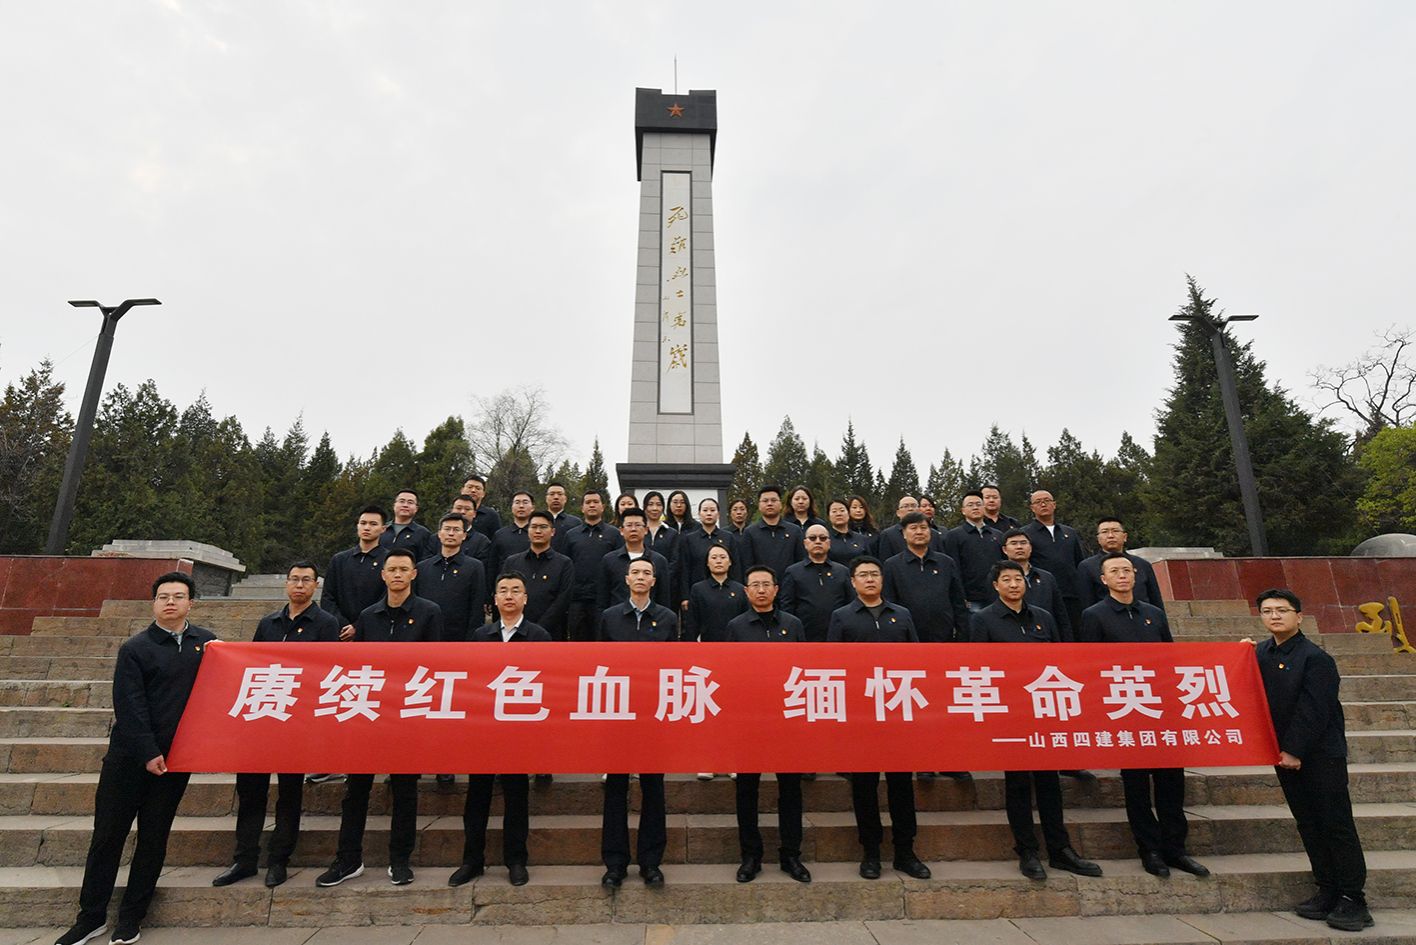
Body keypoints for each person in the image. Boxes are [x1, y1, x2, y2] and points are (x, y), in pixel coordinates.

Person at [57, 572, 217, 945]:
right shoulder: (136, 647)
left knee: (153, 839)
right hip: (129, 759)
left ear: (191, 602)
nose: (171, 602)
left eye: (179, 596)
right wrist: (148, 752)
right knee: (107, 837)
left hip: (176, 762)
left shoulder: (207, 645)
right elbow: (129, 705)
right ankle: (91, 917)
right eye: (163, 596)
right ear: (154, 603)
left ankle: (131, 917)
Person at [317, 548, 443, 888]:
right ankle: (348, 859)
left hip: (408, 715)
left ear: (414, 574)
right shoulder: (368, 616)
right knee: (355, 790)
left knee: (405, 791)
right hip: (369, 713)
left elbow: (434, 664)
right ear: (383, 575)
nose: (398, 574)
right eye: (392, 569)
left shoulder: (430, 613)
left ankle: (400, 860)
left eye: (404, 569)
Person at [212, 562, 341, 892]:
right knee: (251, 791)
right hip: (261, 717)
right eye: (295, 579)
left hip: (297, 721)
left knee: (289, 793)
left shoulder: (326, 624)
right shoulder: (269, 622)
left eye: (306, 580)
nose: (300, 585)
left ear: (316, 587)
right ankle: (244, 858)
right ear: (286, 584)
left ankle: (279, 859)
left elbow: (328, 673)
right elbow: (252, 664)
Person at [969, 561, 1102, 881]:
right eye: (1006, 580)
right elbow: (977, 668)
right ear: (995, 586)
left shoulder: (1043, 618)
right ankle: (1027, 850)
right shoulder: (983, 620)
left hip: (1044, 711)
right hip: (1011, 715)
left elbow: (1058, 662)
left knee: (1049, 784)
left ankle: (1060, 849)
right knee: (1017, 785)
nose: (1014, 585)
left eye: (1018, 579)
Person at [1079, 553, 1208, 879]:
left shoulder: (1153, 614)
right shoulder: (1094, 616)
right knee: (1137, 787)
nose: (1122, 576)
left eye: (1127, 570)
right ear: (1103, 580)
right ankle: (1149, 849)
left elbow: (1170, 657)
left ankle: (1176, 849)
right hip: (1126, 713)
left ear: (1135, 576)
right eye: (1114, 572)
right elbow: (1090, 667)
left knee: (1171, 784)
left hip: (1162, 713)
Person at [1252, 588, 1371, 930]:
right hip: (1284, 755)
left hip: (1320, 756)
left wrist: (1295, 750)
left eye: (1282, 610)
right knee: (1308, 823)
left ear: (1299, 617)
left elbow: (1315, 710)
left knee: (1335, 825)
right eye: (1267, 611)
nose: (1274, 616)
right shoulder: (1261, 652)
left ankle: (1353, 897)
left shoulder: (1315, 658)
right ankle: (1327, 889)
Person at [827, 557, 931, 881]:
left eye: (874, 574)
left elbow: (916, 661)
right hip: (861, 718)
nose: (870, 579)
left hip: (897, 715)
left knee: (901, 786)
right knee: (864, 787)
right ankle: (870, 851)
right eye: (863, 575)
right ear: (853, 582)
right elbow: (834, 668)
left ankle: (905, 851)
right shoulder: (842, 617)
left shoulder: (901, 615)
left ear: (882, 580)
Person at [448, 572, 552, 889]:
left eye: (516, 590)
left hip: (520, 731)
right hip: (484, 730)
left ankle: (516, 860)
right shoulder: (481, 635)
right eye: (503, 590)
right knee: (476, 797)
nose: (509, 595)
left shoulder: (538, 636)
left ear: (525, 598)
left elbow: (548, 681)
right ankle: (472, 860)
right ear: (494, 599)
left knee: (517, 796)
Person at [725, 566, 812, 885]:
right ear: (746, 591)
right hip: (749, 722)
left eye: (766, 584)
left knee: (790, 789)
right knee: (746, 789)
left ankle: (791, 854)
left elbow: (804, 670)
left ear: (776, 589)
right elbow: (728, 674)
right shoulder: (735, 626)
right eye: (754, 585)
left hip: (787, 719)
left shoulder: (793, 624)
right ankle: (751, 855)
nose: (761, 590)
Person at [597, 558, 678, 887]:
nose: (641, 577)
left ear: (654, 581)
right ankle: (615, 863)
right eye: (636, 573)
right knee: (615, 789)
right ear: (627, 579)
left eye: (647, 573)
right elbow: (599, 665)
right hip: (618, 714)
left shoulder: (668, 618)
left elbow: (674, 666)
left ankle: (651, 862)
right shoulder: (609, 617)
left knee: (653, 789)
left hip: (653, 715)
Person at [882, 512, 969, 645]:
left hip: (943, 635)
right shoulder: (892, 565)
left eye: (923, 528)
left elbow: (957, 601)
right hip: (907, 635)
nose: (919, 532)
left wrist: (962, 635)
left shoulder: (946, 562)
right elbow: (889, 601)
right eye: (913, 528)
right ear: (904, 534)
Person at [501, 509, 574, 640]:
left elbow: (563, 600)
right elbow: (505, 594)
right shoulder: (512, 562)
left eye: (543, 527)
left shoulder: (564, 563)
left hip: (552, 633)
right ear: (528, 531)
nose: (538, 531)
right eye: (533, 527)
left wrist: (537, 630)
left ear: (552, 532)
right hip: (515, 631)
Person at [321, 505, 391, 640]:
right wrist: (343, 624)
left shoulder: (389, 560)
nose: (367, 528)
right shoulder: (339, 560)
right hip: (340, 634)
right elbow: (328, 597)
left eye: (373, 524)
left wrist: (358, 626)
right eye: (363, 523)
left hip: (374, 633)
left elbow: (387, 598)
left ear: (383, 529)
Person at [1021, 490, 1087, 635]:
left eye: (1047, 500)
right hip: (1042, 594)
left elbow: (1079, 562)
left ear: (1054, 504)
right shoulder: (1025, 534)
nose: (1043, 504)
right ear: (1032, 508)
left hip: (1071, 595)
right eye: (1038, 502)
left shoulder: (1069, 533)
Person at [563, 490, 625, 642]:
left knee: (602, 641)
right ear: (582, 508)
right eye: (588, 502)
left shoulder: (614, 534)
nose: (592, 505)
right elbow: (565, 566)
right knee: (578, 643)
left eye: (596, 502)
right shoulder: (571, 535)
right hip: (577, 600)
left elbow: (619, 566)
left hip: (603, 600)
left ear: (603, 507)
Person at [416, 513, 487, 643]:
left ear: (464, 535)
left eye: (456, 530)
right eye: (447, 529)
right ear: (439, 533)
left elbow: (476, 609)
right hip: (425, 637)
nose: (451, 533)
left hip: (459, 638)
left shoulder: (474, 567)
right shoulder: (422, 567)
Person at [779, 524, 853, 642]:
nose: (818, 541)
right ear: (805, 543)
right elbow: (787, 606)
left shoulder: (842, 571)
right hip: (804, 635)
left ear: (829, 543)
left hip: (838, 635)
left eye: (823, 538)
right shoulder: (793, 572)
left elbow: (850, 603)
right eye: (812, 538)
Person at [1000, 529, 1073, 642]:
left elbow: (1060, 614)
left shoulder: (1047, 577)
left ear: (1031, 548)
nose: (1019, 547)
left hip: (1044, 636)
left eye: (1023, 543)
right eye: (1014, 543)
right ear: (1005, 549)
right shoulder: (997, 578)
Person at [1077, 517, 1164, 609]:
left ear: (1125, 537)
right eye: (1105, 532)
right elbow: (1086, 602)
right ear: (1098, 539)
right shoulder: (1087, 566)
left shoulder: (1142, 564)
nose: (1110, 535)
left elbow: (1155, 599)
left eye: (1115, 531)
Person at [597, 507, 672, 612]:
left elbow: (664, 599)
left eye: (638, 525)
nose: (633, 529)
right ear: (621, 531)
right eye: (629, 525)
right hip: (617, 621)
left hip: (650, 620)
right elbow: (602, 599)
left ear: (646, 530)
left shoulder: (659, 561)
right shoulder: (609, 560)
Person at [675, 497, 739, 617]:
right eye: (705, 510)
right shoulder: (689, 539)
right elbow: (684, 568)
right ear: (699, 514)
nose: (709, 513)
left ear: (718, 514)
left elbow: (736, 567)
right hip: (697, 592)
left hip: (725, 590)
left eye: (712, 510)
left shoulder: (728, 538)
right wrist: (685, 596)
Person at [943, 491, 1005, 612]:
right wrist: (961, 596)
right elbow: (954, 569)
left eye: (978, 504)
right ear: (963, 510)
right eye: (970, 505)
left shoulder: (997, 535)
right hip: (971, 599)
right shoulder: (954, 536)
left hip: (996, 595)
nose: (975, 507)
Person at [739, 484, 804, 577]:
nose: (769, 503)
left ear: (781, 504)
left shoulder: (794, 531)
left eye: (773, 500)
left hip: (791, 584)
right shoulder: (750, 532)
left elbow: (800, 562)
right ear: (759, 505)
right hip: (762, 587)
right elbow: (747, 565)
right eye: (765, 501)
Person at [687, 545, 749, 642]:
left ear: (730, 562)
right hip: (707, 644)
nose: (719, 561)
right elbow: (692, 623)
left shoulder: (740, 589)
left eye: (723, 557)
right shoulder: (698, 589)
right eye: (714, 557)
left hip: (735, 644)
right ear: (707, 563)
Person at [876, 495, 946, 559]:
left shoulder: (933, 533)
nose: (910, 509)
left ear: (919, 510)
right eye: (906, 506)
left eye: (913, 506)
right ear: (898, 513)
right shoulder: (888, 534)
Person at [449, 494, 494, 583]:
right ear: (451, 511)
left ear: (474, 514)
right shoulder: (437, 538)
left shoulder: (482, 542)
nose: (462, 512)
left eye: (467, 509)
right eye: (458, 508)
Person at [490, 490, 535, 577]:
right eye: (517, 502)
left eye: (525, 502)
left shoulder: (538, 534)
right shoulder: (500, 535)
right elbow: (492, 565)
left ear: (532, 507)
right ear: (512, 507)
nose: (521, 506)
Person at [380, 489, 436, 558]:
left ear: (416, 508)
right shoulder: (381, 529)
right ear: (394, 505)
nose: (405, 505)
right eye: (402, 501)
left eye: (410, 502)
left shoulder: (423, 533)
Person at [825, 498, 871, 565]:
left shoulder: (862, 539)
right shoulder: (824, 539)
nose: (838, 514)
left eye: (842, 510)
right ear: (829, 516)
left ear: (849, 514)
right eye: (834, 511)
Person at [642, 491, 680, 563]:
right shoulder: (638, 530)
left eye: (658, 504)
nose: (655, 508)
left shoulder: (671, 533)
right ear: (644, 507)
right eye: (650, 504)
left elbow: (675, 560)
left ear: (663, 508)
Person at [544, 482, 582, 553]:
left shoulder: (575, 523)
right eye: (552, 494)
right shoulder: (537, 521)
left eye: (560, 494)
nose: (556, 497)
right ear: (546, 498)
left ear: (565, 499)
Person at [462, 474, 503, 540]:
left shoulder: (491, 515)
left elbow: (497, 541)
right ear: (462, 490)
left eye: (478, 488)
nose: (473, 490)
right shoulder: (452, 512)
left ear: (483, 494)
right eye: (470, 487)